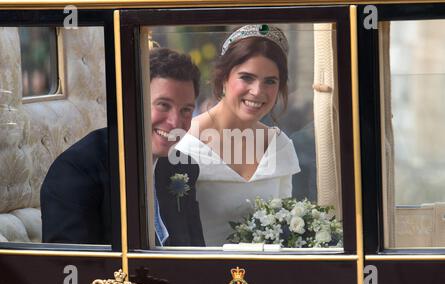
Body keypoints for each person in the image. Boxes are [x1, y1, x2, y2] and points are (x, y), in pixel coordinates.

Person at [41, 48, 205, 247]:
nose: (175, 121)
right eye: (163, 105)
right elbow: (71, 268)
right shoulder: (76, 170)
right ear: (133, 101)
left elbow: (197, 255)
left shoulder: (184, 167)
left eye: (186, 110)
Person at [176, 25, 300, 246]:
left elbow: (285, 232)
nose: (257, 91)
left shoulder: (279, 146)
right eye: (246, 78)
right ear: (223, 79)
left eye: (270, 81)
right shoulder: (185, 144)